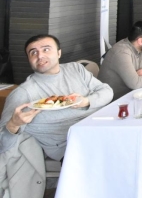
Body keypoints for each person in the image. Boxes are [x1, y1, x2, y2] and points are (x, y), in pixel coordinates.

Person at [0, 34, 113, 162]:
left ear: (59, 53)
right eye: (33, 53)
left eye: (46, 49)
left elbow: (107, 91)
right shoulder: (23, 93)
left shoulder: (75, 69)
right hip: (70, 146)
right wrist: (13, 125)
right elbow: (2, 146)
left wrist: (86, 101)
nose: (40, 56)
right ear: (29, 60)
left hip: (100, 129)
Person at [99, 21, 142, 100]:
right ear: (140, 41)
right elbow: (135, 83)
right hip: (114, 101)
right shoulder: (121, 52)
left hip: (131, 95)